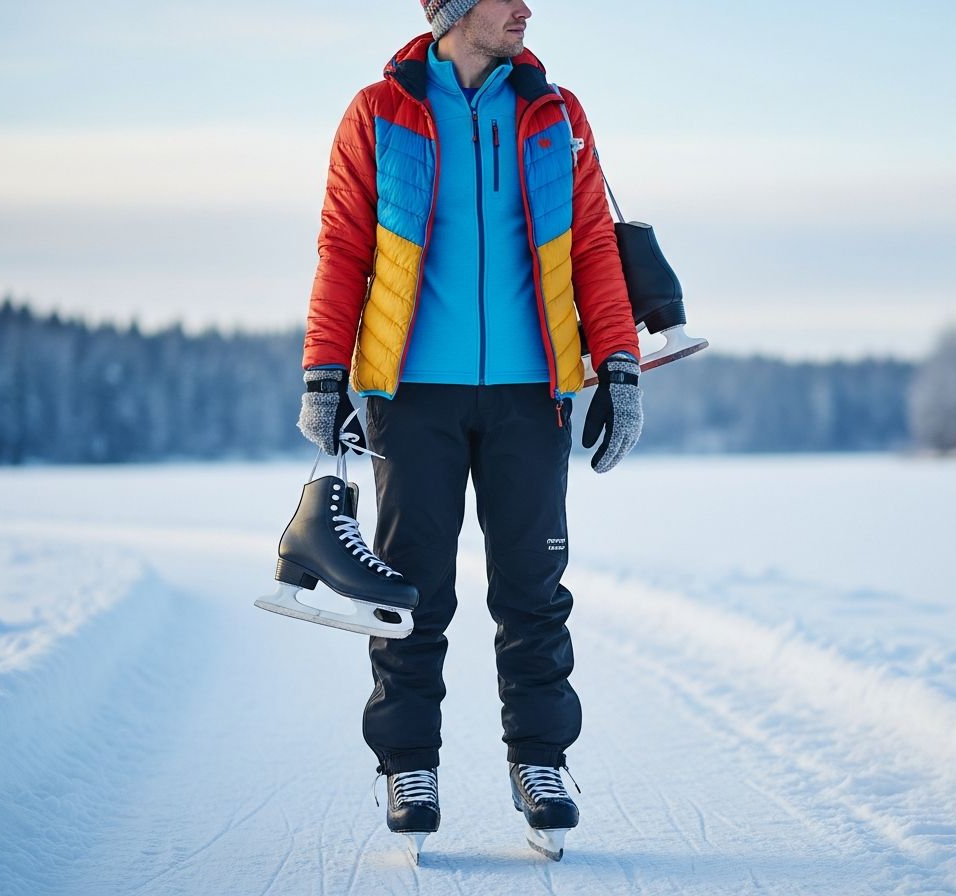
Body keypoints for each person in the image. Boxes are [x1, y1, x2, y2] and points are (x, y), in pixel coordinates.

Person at [295, 0, 643, 860]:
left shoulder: (556, 113)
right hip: (412, 394)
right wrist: (323, 372)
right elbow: (343, 247)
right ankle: (408, 766)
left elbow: (593, 247)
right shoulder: (380, 113)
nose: (526, 9)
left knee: (534, 589)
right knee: (410, 589)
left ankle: (541, 764)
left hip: (533, 393)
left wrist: (619, 365)